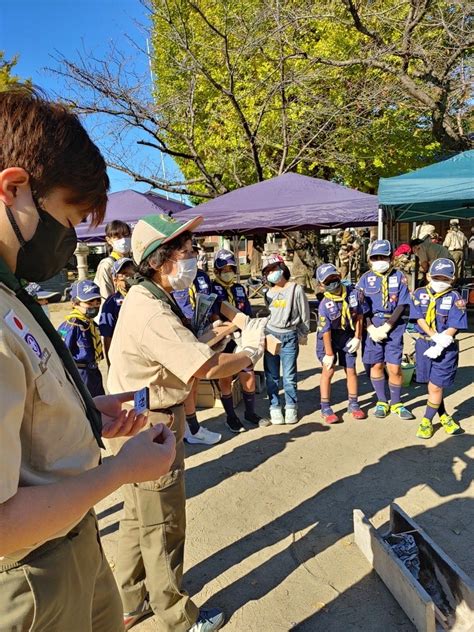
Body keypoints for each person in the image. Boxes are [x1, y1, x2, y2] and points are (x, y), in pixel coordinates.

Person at [0, 85, 176, 632]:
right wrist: (125, 470)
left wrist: (78, 411)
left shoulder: (10, 293)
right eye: (69, 215)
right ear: (15, 188)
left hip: (68, 543)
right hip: (31, 575)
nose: (73, 237)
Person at [106, 213, 268, 632]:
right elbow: (206, 368)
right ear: (162, 259)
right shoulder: (151, 309)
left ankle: (131, 600)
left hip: (140, 419)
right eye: (188, 251)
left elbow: (178, 351)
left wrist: (210, 336)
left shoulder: (151, 297)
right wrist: (249, 352)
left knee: (137, 518)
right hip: (153, 424)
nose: (194, 257)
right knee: (163, 522)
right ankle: (176, 616)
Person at [212, 248, 270, 432]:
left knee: (248, 374)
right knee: (225, 376)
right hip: (222, 339)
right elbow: (211, 315)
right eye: (224, 269)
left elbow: (247, 312)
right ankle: (231, 417)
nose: (228, 271)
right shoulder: (212, 289)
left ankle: (250, 413)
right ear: (216, 271)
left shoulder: (239, 288)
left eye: (231, 268)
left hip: (242, 336)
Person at [356, 239, 415, 420]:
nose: (379, 260)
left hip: (394, 326)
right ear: (370, 259)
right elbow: (361, 307)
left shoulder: (400, 277)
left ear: (391, 258)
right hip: (373, 324)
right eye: (375, 257)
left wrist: (388, 327)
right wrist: (371, 327)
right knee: (376, 364)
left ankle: (396, 402)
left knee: (394, 367)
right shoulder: (365, 278)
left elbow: (402, 304)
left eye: (383, 256)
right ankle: (381, 400)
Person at [410, 258, 467, 439]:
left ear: (452, 279)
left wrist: (442, 340)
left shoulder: (455, 298)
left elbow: (455, 323)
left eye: (445, 279)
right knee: (432, 385)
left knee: (436, 385)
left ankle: (426, 421)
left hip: (446, 347)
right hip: (425, 343)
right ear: (428, 276)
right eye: (437, 277)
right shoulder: (419, 293)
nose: (440, 282)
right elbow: (418, 317)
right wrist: (433, 335)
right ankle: (443, 415)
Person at [173, 242, 221, 446]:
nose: (192, 256)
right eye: (187, 252)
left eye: (194, 252)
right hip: (180, 334)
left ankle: (192, 426)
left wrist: (215, 320)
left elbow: (210, 299)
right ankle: (188, 428)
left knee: (194, 382)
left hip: (200, 332)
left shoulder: (202, 277)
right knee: (183, 383)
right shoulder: (172, 279)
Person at [262, 254, 310, 424]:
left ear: (282, 268)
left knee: (289, 376)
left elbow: (304, 312)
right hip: (270, 335)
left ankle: (291, 406)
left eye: (274, 269)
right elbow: (269, 313)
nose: (272, 273)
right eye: (268, 271)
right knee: (272, 376)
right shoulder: (268, 292)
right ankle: (274, 407)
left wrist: (303, 333)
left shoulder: (295, 289)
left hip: (289, 336)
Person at [315, 263, 366, 423]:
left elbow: (359, 316)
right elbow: (325, 331)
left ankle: (354, 403)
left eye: (334, 278)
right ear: (322, 285)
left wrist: (358, 337)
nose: (333, 283)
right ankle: (325, 407)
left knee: (350, 369)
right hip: (328, 338)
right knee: (328, 370)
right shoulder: (324, 304)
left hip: (347, 335)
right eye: (328, 281)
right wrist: (329, 354)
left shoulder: (353, 294)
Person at [57, 280, 105, 397]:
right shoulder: (72, 325)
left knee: (100, 403)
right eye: (89, 302)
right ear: (74, 304)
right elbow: (61, 352)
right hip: (80, 373)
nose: (94, 306)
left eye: (97, 302)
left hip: (93, 372)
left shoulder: (90, 324)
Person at [99, 256, 136, 365]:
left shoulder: (144, 296)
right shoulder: (111, 303)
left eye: (131, 274)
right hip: (124, 356)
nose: (128, 278)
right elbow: (107, 336)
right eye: (124, 274)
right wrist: (111, 365)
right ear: (115, 279)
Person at [94, 219, 132, 301]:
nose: (123, 240)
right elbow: (106, 298)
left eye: (126, 235)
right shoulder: (107, 265)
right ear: (109, 240)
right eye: (117, 237)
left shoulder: (134, 262)